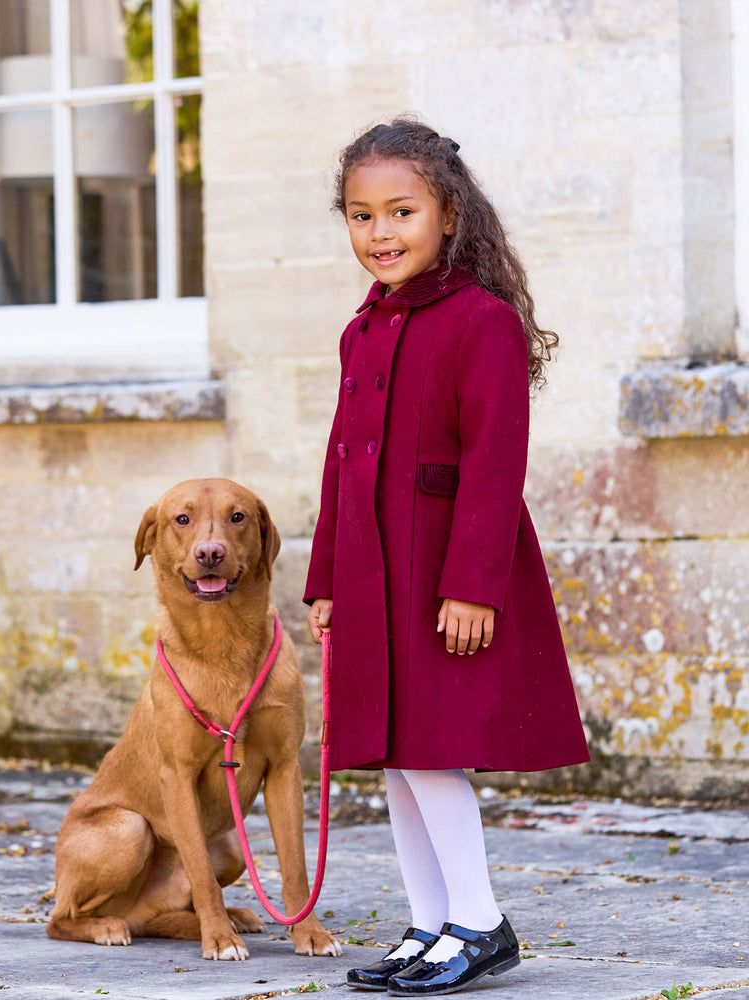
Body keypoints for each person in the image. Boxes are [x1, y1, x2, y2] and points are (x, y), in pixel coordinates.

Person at [304, 117, 589, 996]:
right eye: (361, 216)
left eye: (400, 212)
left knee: (430, 746)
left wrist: (474, 587)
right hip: (370, 574)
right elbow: (341, 459)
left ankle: (480, 920)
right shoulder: (363, 330)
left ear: (448, 214)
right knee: (395, 751)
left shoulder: (482, 323)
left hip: (443, 577)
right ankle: (430, 925)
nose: (380, 234)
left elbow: (496, 464)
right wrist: (324, 583)